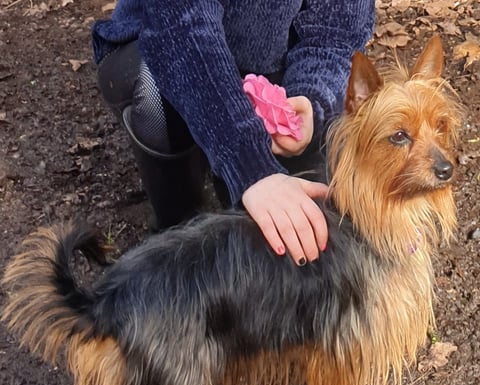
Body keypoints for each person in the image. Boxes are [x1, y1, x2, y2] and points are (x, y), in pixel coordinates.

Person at [91, 1, 375, 266]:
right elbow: (181, 25)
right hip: (159, 46)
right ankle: (174, 226)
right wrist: (250, 167)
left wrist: (311, 101)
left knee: (317, 234)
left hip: (272, 73)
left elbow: (334, 35)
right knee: (150, 93)